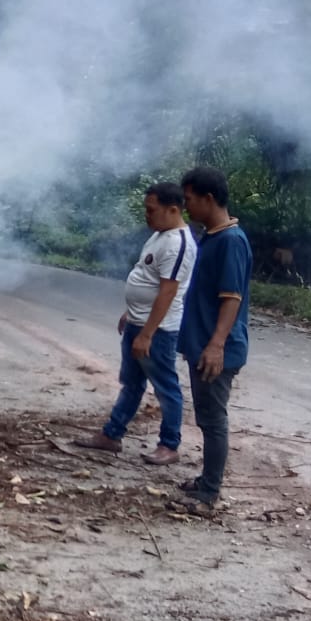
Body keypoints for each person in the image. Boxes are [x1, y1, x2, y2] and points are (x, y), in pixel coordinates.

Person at [75, 183, 197, 464]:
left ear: (173, 210)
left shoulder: (179, 243)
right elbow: (146, 277)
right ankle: (111, 435)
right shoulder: (159, 235)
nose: (147, 214)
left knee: (166, 386)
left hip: (158, 330)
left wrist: (147, 333)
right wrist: (131, 312)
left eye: (151, 209)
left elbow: (169, 291)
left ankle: (169, 445)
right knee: (131, 383)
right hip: (138, 323)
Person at [174, 166, 252, 515]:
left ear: (208, 199)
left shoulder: (231, 242)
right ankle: (207, 481)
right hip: (203, 345)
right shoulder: (212, 236)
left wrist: (216, 344)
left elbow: (231, 297)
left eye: (189, 200)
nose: (186, 206)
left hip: (216, 349)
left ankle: (210, 494)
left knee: (213, 418)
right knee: (207, 416)